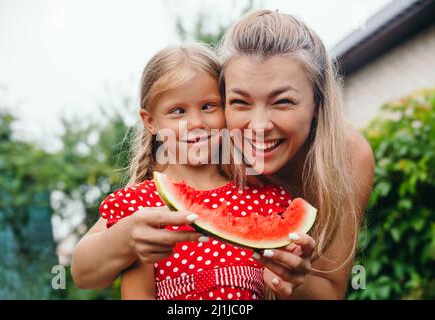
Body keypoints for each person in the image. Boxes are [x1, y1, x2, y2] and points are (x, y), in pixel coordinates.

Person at [71, 43, 311, 300]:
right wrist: (126, 237)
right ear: (151, 121)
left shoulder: (265, 199)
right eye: (178, 111)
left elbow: (291, 283)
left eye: (208, 106)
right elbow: (83, 273)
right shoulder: (139, 205)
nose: (196, 123)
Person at [217, 9, 375, 299]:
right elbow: (103, 258)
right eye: (240, 102)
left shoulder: (350, 154)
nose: (260, 126)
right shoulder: (206, 144)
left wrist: (293, 278)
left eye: (283, 102)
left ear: (317, 102)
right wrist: (127, 237)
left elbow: (332, 292)